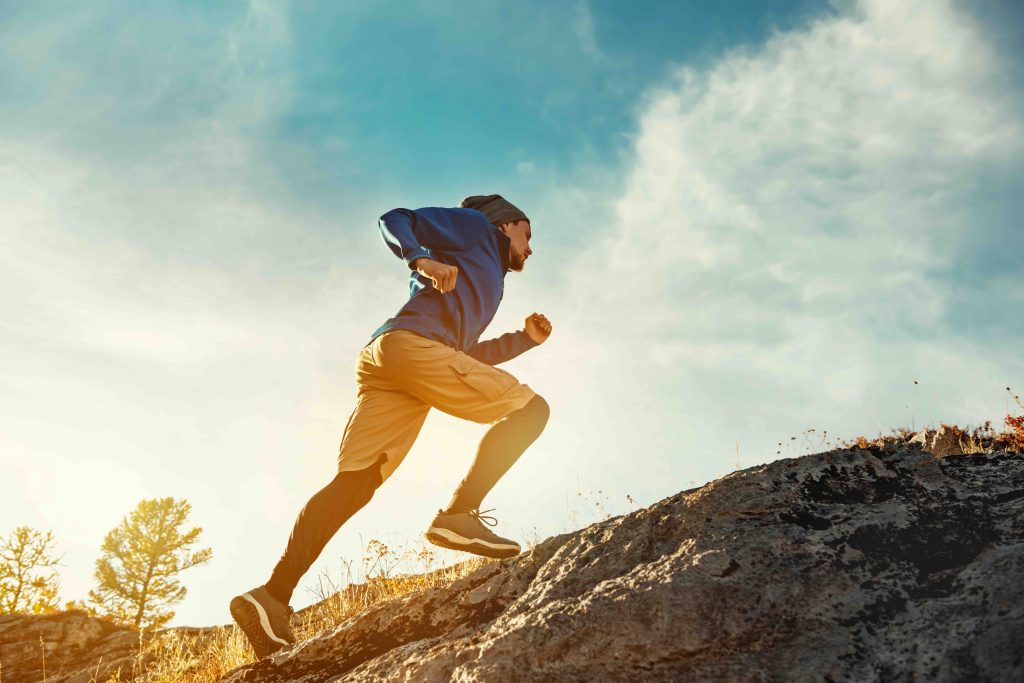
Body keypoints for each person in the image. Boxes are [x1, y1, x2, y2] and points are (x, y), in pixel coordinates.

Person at [229, 194, 552, 659]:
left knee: (356, 482)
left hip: (393, 359)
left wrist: (524, 340)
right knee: (530, 411)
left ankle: (271, 596)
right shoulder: (476, 229)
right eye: (528, 233)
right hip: (410, 347)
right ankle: (459, 514)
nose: (531, 248)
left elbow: (461, 358)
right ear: (506, 226)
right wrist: (418, 257)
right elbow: (395, 218)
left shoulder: (483, 276)